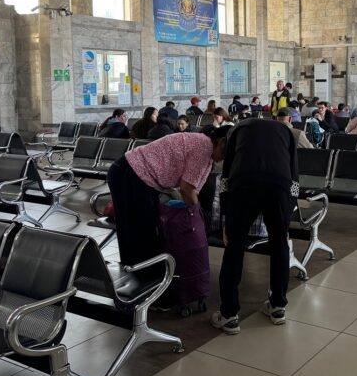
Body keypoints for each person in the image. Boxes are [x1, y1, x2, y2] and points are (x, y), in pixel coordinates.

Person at [212, 118, 298, 335]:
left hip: (244, 184)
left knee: (235, 247)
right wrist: (287, 215)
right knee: (280, 245)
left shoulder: (237, 130)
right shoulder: (286, 131)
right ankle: (278, 306)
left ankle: (229, 315)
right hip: (279, 186)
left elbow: (227, 175)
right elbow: (294, 175)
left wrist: (226, 217)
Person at [107, 126, 228, 267]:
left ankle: (138, 270)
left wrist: (195, 210)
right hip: (131, 174)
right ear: (221, 142)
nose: (224, 159)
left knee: (138, 228)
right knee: (140, 230)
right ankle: (141, 273)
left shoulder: (205, 148)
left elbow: (192, 190)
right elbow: (187, 189)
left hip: (132, 173)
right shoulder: (204, 147)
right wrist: (196, 215)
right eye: (226, 153)